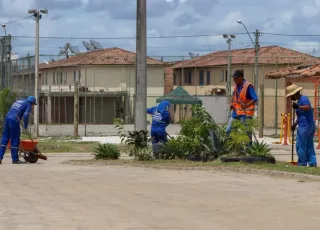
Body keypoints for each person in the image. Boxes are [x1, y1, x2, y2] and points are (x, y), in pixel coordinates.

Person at [286, 84, 317, 167]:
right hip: (308, 125)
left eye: (290, 96)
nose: (290, 98)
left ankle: (302, 163)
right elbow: (301, 115)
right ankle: (312, 162)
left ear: (294, 94)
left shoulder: (303, 99)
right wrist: (295, 124)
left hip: (305, 126)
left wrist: (298, 106)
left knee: (300, 145)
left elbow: (308, 107)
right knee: (309, 144)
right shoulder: (299, 101)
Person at [0, 96, 36, 164]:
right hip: (14, 120)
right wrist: (25, 126)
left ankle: (0, 157)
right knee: (15, 139)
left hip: (7, 118)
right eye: (33, 105)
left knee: (5, 138)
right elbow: (25, 115)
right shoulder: (28, 104)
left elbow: (13, 110)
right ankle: (15, 159)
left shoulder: (18, 101)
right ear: (32, 103)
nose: (33, 107)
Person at [226, 70, 258, 146]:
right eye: (233, 78)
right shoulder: (236, 86)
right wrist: (231, 104)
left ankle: (249, 150)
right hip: (235, 113)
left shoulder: (248, 86)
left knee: (247, 133)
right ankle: (232, 147)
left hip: (245, 113)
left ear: (241, 77)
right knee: (228, 131)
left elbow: (255, 98)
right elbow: (234, 97)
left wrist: (246, 105)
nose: (234, 80)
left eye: (235, 78)